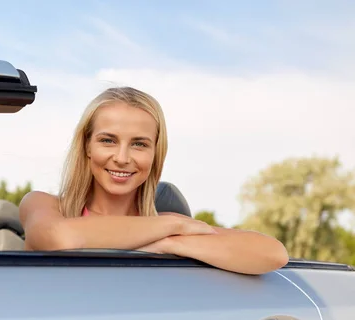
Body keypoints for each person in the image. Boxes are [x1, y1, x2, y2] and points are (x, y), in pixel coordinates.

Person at [19, 86, 289, 275]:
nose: (122, 158)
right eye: (108, 140)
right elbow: (60, 238)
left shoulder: (165, 231)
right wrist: (171, 225)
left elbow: (273, 253)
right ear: (87, 146)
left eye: (139, 144)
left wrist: (171, 243)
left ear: (155, 154)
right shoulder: (44, 206)